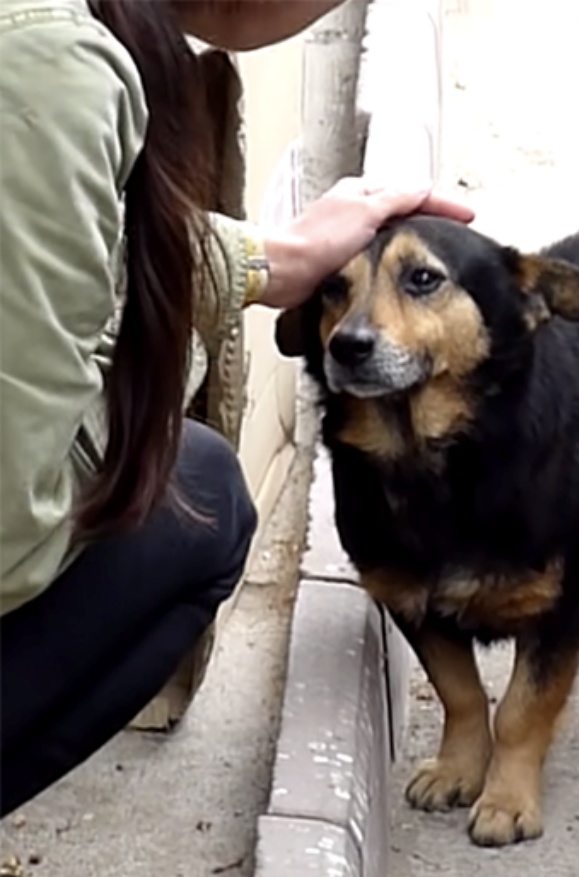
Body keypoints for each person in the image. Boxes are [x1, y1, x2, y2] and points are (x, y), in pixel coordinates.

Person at [0, 0, 474, 816]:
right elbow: (12, 535)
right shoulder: (49, 70)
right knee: (200, 496)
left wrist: (259, 261)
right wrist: (156, 357)